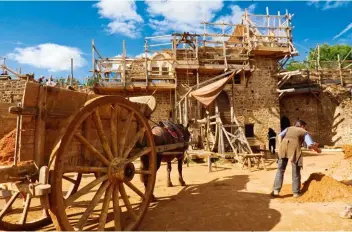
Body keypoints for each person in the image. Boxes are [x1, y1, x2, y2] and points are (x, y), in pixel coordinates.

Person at [272, 120, 321, 198]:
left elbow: (279, 136)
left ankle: (276, 191)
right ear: (302, 126)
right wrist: (318, 150)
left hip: (283, 148)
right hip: (294, 150)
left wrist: (281, 144)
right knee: (296, 171)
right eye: (304, 127)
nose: (305, 128)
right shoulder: (303, 131)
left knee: (280, 170)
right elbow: (310, 145)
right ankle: (296, 193)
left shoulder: (288, 128)